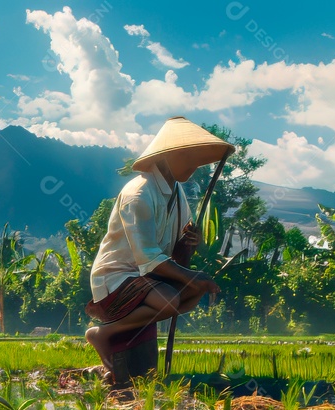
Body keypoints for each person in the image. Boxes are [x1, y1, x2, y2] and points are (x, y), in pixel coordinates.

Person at [84, 117, 233, 376]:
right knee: (169, 299)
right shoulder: (138, 194)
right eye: (188, 157)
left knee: (193, 292)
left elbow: (176, 248)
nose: (195, 166)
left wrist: (189, 243)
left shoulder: (177, 193)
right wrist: (192, 275)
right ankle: (103, 334)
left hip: (147, 279)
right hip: (117, 279)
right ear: (167, 157)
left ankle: (120, 358)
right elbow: (148, 257)